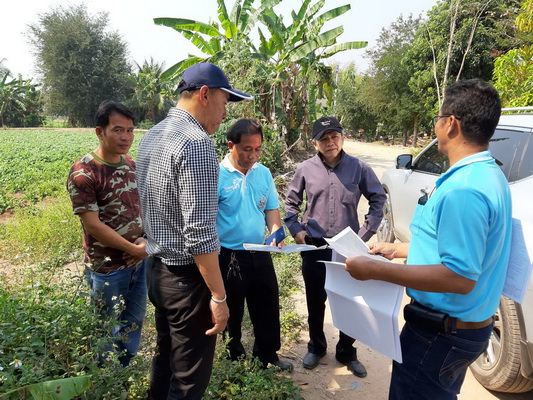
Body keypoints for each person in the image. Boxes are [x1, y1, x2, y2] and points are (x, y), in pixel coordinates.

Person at [345, 79, 512, 400]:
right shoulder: (487, 175)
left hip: (440, 334)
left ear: (451, 124)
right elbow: (453, 249)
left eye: (438, 117)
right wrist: (396, 249)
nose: (435, 125)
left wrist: (375, 270)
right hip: (459, 328)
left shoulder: (464, 190)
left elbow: (460, 276)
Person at [135, 62, 252, 400]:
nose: (225, 113)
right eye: (224, 102)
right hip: (187, 280)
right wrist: (219, 297)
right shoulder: (196, 143)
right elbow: (200, 235)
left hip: (158, 272)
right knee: (188, 381)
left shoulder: (153, 135)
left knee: (166, 360)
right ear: (204, 95)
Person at [284, 116, 386, 377]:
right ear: (315, 143)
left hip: (347, 247)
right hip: (315, 246)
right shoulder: (305, 169)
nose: (330, 142)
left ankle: (346, 351)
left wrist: (365, 233)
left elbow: (378, 198)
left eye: (335, 136)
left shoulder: (359, 168)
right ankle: (316, 347)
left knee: (349, 301)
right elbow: (291, 204)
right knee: (315, 300)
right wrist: (296, 231)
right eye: (324, 138)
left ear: (342, 138)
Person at [66, 100, 147, 367]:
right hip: (107, 268)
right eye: (118, 130)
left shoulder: (132, 164)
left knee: (133, 322)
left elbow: (142, 205)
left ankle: (123, 371)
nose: (126, 137)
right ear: (100, 132)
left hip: (138, 262)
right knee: (104, 327)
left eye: (130, 130)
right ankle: (101, 375)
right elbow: (93, 224)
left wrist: (145, 240)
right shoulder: (84, 172)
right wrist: (133, 249)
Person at [217, 119, 293, 372]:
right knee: (233, 309)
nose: (253, 155)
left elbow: (271, 208)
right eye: (247, 149)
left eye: (257, 149)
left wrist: (275, 232)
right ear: (231, 145)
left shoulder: (263, 173)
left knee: (267, 304)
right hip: (229, 255)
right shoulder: (217, 175)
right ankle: (233, 358)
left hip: (260, 251)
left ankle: (267, 355)